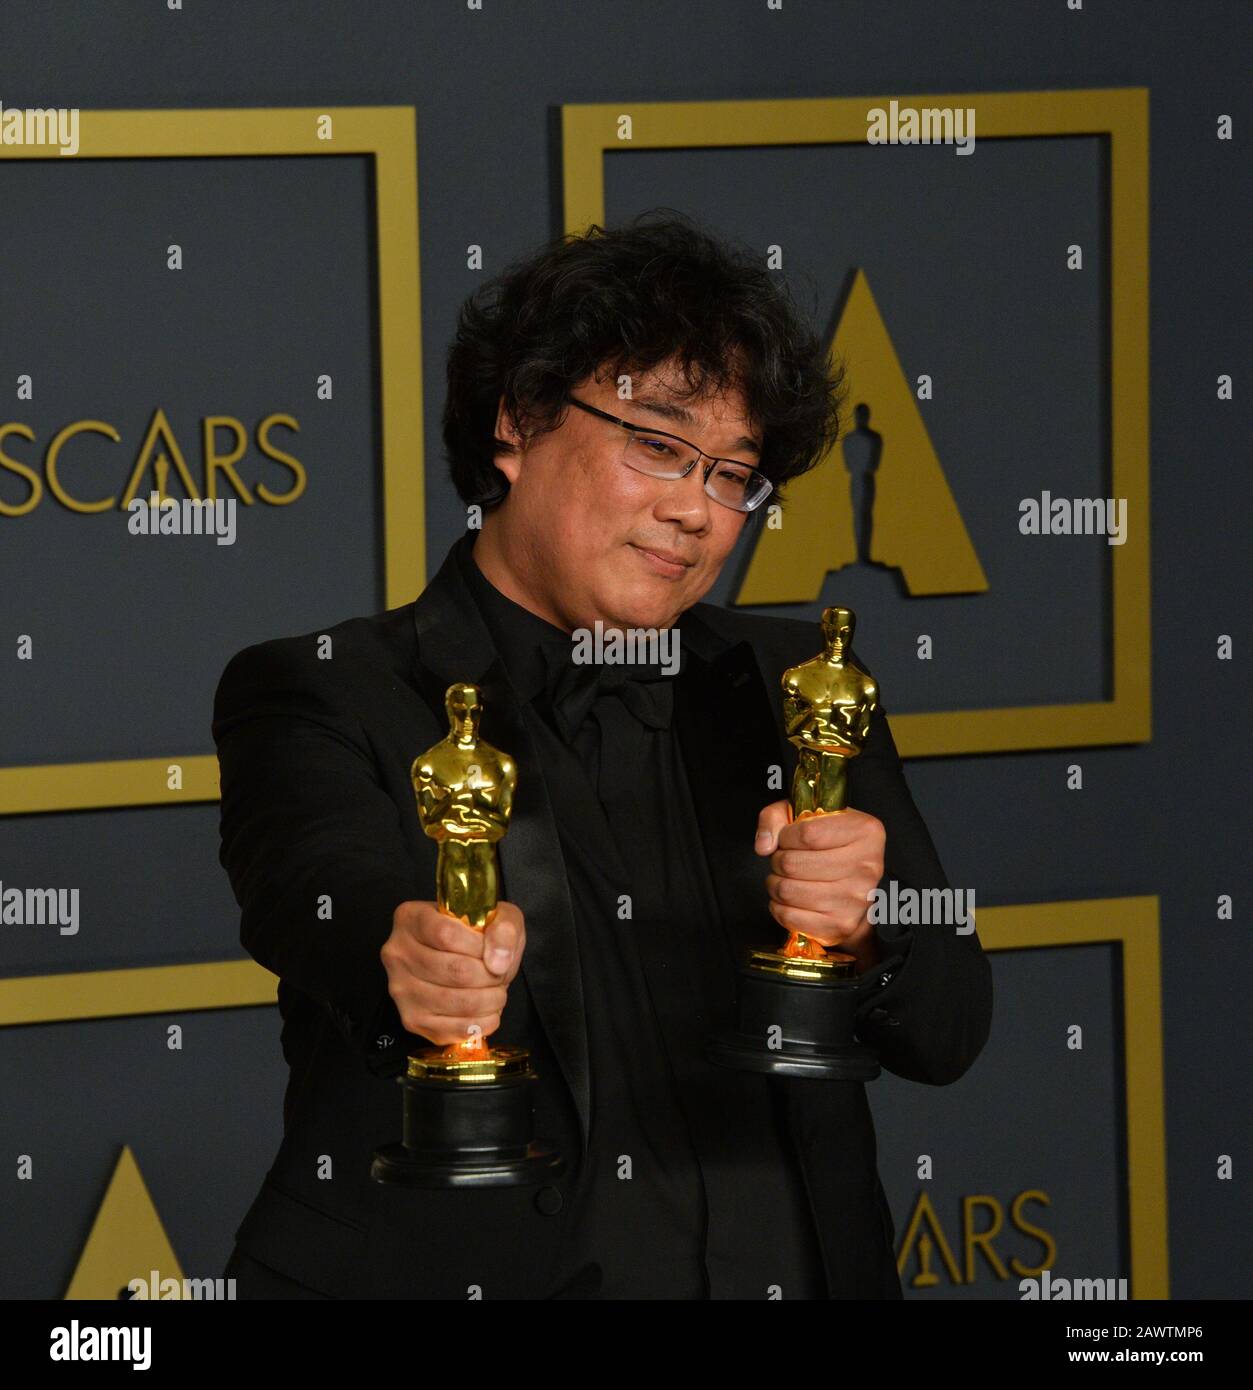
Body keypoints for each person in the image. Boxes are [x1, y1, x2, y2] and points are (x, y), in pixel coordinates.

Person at [213, 211, 993, 1299]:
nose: (694, 511)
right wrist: (415, 957)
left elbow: (950, 1024)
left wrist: (869, 931)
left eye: (734, 475)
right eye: (659, 445)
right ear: (518, 423)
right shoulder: (328, 684)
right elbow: (318, 897)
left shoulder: (795, 685)